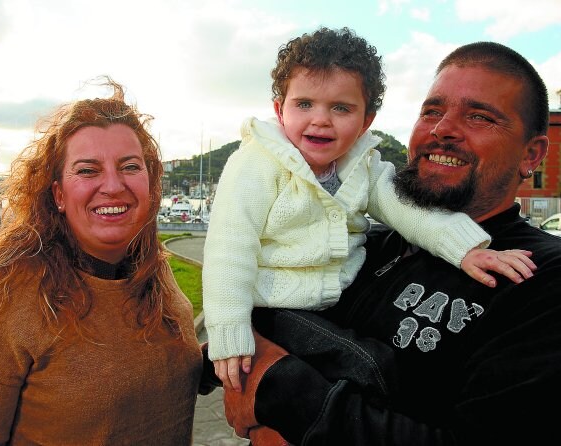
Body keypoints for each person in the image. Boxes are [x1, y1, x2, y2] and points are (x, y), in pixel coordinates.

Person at [223, 41, 561, 445]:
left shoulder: (544, 279)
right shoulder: (371, 246)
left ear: (532, 155)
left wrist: (273, 387)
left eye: (479, 117)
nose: (442, 129)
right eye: (432, 111)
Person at [0, 79, 203, 444]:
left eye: (130, 166)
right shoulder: (4, 291)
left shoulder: (154, 269)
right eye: (88, 170)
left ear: (150, 184)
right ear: (58, 194)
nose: (113, 186)